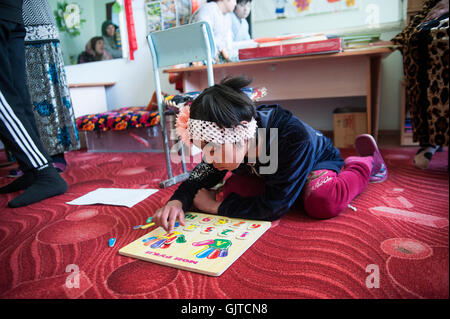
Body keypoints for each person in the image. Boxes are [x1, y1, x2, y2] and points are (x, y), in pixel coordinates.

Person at [152, 76, 388, 232]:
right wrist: (177, 201)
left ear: (240, 131)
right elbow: (200, 175)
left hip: (317, 161)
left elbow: (275, 208)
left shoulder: (292, 137)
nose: (208, 158)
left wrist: (216, 208)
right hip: (270, 172)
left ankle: (364, 164)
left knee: (322, 201)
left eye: (211, 149)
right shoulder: (226, 144)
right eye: (204, 150)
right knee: (234, 191)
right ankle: (292, 190)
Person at [0, 0, 68, 208]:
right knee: (16, 97)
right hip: (12, 13)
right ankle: (32, 170)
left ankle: (43, 170)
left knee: (5, 100)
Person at [6, 0, 80, 178]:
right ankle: (32, 161)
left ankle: (55, 156)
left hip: (36, 27)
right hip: (12, 28)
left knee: (45, 95)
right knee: (22, 97)